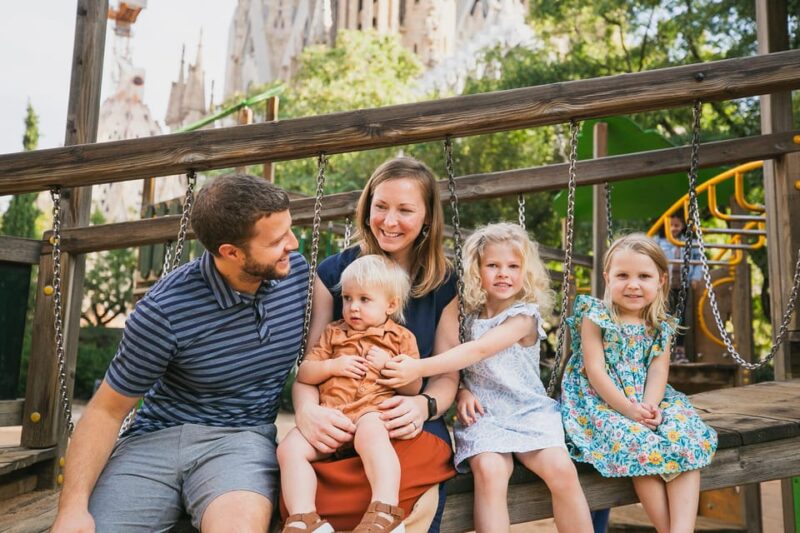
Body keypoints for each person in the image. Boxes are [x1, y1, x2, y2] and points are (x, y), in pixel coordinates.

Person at [51, 174, 309, 533]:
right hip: (157, 439)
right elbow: (107, 411)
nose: (294, 245)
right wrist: (72, 509)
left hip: (241, 439)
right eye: (278, 240)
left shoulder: (296, 276)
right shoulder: (165, 310)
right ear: (231, 252)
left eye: (290, 230)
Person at [381, 223, 593, 533]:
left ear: (526, 272)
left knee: (561, 469)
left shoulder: (523, 316)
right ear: (477, 270)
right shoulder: (468, 315)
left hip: (527, 411)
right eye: (493, 265)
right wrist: (463, 390)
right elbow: (463, 367)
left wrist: (417, 367)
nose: (503, 273)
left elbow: (478, 351)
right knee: (491, 471)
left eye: (512, 266)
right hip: (484, 415)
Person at [290, 156, 459, 532]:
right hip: (336, 411)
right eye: (380, 207)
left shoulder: (443, 282)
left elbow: (448, 373)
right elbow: (311, 364)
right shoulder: (335, 273)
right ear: (367, 209)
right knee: (296, 468)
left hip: (402, 417)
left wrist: (423, 405)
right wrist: (307, 413)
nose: (389, 220)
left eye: (405, 210)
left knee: (414, 485)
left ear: (428, 217)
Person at [561, 233, 718, 533]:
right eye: (623, 275)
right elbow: (595, 371)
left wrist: (650, 407)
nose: (633, 284)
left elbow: (659, 372)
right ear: (607, 278)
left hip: (648, 398)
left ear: (660, 279)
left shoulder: (661, 325)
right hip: (600, 402)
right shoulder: (596, 316)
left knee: (685, 437)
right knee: (638, 442)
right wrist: (629, 410)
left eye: (643, 276)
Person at [278, 255, 421, 533]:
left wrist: (387, 367)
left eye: (364, 299)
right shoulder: (333, 333)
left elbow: (413, 388)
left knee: (373, 434)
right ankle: (303, 518)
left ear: (390, 305)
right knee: (289, 448)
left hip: (371, 413)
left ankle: (385, 509)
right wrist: (333, 365)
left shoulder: (401, 338)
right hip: (331, 419)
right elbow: (305, 372)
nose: (353, 307)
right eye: (347, 298)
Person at [654, 213, 704, 361]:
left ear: (683, 226)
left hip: (683, 284)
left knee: (681, 318)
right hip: (665, 285)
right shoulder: (659, 241)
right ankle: (664, 350)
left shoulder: (690, 241)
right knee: (664, 315)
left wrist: (695, 278)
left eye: (677, 225)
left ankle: (680, 351)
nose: (674, 228)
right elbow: (652, 259)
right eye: (671, 225)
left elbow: (699, 260)